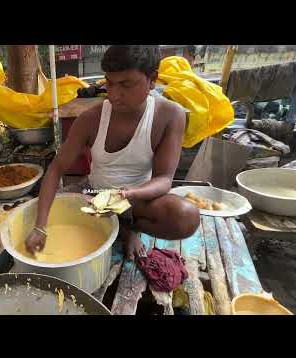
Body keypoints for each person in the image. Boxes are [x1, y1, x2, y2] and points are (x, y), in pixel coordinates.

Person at [25, 45, 200, 262]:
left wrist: (129, 194)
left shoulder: (169, 116)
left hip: (137, 200)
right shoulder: (90, 119)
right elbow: (56, 169)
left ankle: (128, 228)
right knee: (35, 209)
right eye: (109, 83)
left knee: (186, 217)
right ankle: (117, 227)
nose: (114, 95)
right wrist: (40, 227)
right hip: (93, 194)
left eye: (126, 84)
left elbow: (164, 180)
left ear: (152, 79)